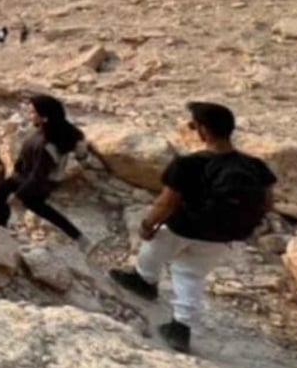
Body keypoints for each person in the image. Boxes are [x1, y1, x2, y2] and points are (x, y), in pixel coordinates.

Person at [109, 102, 276, 353]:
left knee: (154, 245)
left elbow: (165, 203)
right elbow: (268, 202)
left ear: (203, 131)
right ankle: (180, 329)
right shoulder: (254, 166)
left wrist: (147, 224)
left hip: (183, 226)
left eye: (192, 125)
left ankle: (144, 280)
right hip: (222, 235)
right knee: (191, 276)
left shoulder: (187, 164)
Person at [0, 95, 90, 248]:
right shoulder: (51, 130)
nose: (28, 115)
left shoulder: (46, 144)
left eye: (32, 112)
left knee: (27, 202)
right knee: (4, 194)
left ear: (44, 117)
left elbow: (38, 175)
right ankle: (79, 238)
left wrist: (19, 195)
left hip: (38, 182)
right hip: (28, 176)